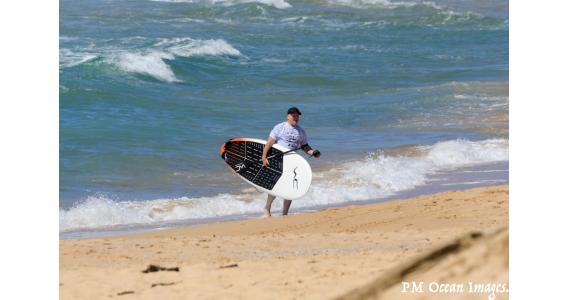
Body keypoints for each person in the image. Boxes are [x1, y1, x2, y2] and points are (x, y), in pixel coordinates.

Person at [262, 107, 321, 217]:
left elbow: (305, 147)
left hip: (292, 161)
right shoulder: (280, 127)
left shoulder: (301, 131)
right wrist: (264, 157)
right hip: (278, 159)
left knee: (291, 188)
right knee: (276, 185)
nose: (296, 118)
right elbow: (269, 143)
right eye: (293, 115)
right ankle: (267, 207)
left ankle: (285, 214)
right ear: (288, 116)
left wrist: (313, 152)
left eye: (297, 116)